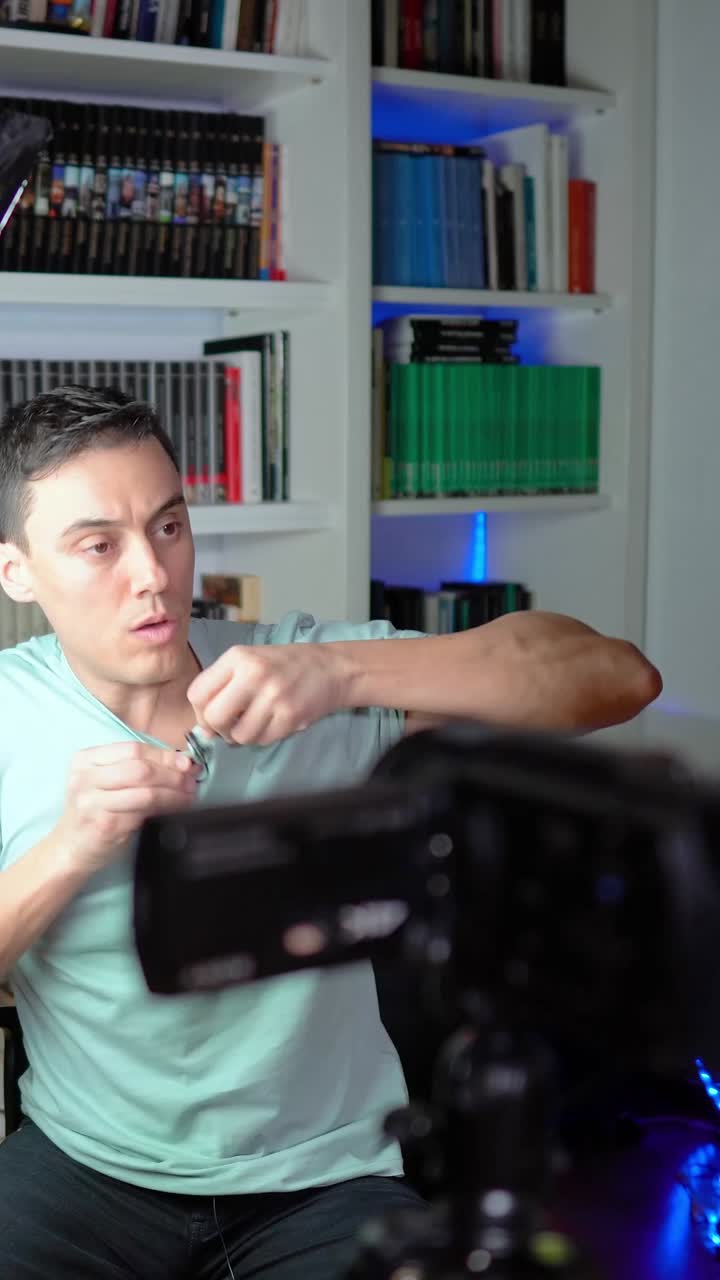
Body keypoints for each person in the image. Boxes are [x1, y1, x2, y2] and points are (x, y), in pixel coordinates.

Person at [0, 386, 662, 1279]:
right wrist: (69, 848)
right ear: (17, 572)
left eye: (168, 526)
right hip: (84, 1172)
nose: (153, 575)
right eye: (97, 546)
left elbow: (618, 677)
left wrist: (340, 672)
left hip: (324, 1180)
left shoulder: (297, 669)